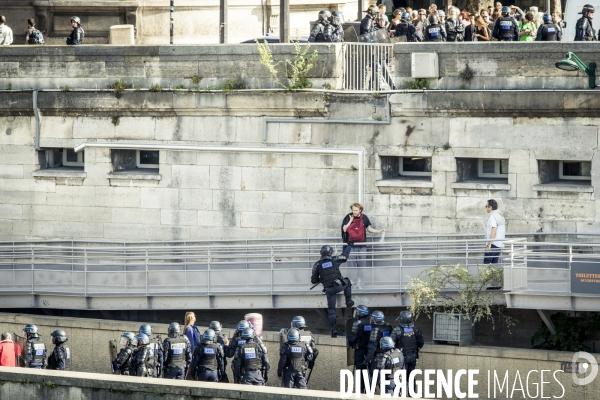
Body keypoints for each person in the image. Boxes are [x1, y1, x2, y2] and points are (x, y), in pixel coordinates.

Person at [311, 245, 354, 337]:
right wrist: (349, 245)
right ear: (331, 252)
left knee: (331, 311)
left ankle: (333, 330)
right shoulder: (335, 259)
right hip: (339, 286)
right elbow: (345, 256)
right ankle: (349, 301)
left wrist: (322, 279)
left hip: (329, 290)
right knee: (347, 281)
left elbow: (313, 280)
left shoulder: (317, 264)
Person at [341, 202, 385, 289]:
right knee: (351, 265)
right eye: (353, 210)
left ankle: (359, 283)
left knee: (361, 265)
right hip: (351, 245)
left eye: (356, 210)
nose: (354, 212)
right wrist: (350, 220)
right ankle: (351, 283)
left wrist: (380, 231)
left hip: (362, 246)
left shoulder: (364, 217)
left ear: (360, 210)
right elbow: (345, 229)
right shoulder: (348, 217)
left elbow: (369, 229)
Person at [391, 311, 424, 392]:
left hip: (402, 356)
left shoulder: (397, 330)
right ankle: (412, 393)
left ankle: (402, 395)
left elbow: (391, 344)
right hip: (413, 355)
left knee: (401, 375)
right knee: (411, 375)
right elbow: (421, 342)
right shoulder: (415, 329)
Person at [347, 304, 371, 394]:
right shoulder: (372, 321)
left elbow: (353, 337)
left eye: (357, 312)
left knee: (360, 370)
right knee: (370, 370)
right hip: (370, 350)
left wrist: (349, 340)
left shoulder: (358, 323)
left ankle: (361, 390)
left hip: (360, 350)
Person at [484, 199, 506, 264]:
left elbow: (493, 230)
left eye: (486, 206)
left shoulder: (492, 216)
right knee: (494, 264)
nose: (486, 208)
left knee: (487, 263)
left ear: (490, 207)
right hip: (499, 244)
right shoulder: (500, 215)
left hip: (493, 244)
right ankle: (493, 274)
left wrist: (489, 244)